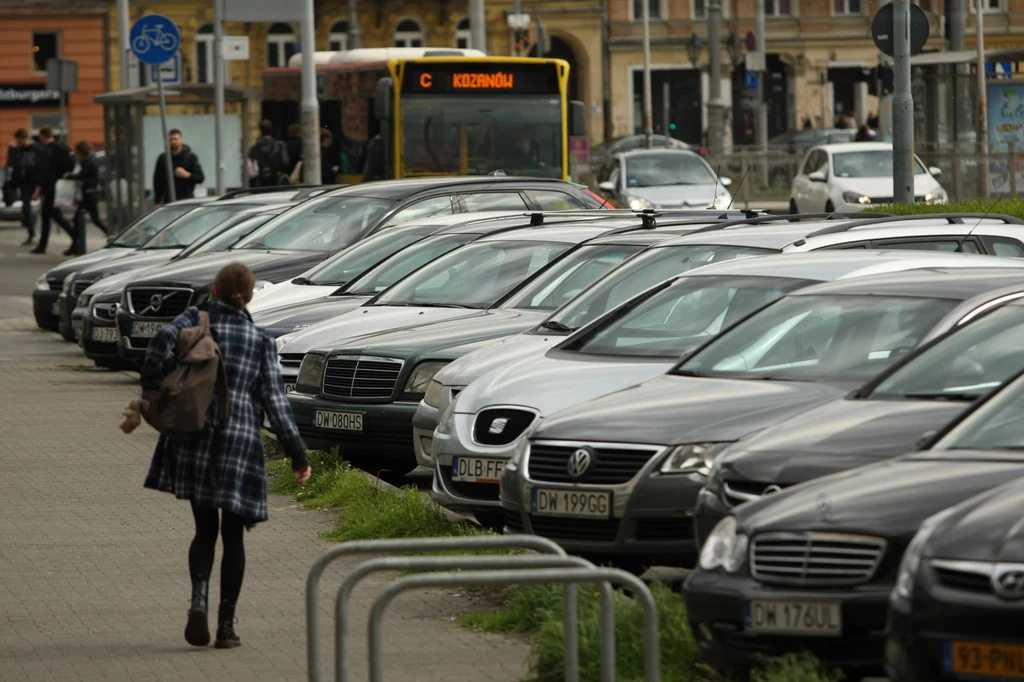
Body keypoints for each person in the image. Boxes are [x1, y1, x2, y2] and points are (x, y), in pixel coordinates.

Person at [138, 263, 311, 650]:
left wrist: (153, 390)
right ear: (249, 296)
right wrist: (298, 455)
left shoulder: (192, 322)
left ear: (214, 290)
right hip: (240, 444)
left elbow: (159, 346)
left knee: (204, 529)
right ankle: (226, 626)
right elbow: (276, 404)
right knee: (234, 539)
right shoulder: (260, 340)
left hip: (194, 436)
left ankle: (198, 597)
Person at [30, 126, 77, 256]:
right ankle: (43, 244)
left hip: (49, 186)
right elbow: (71, 163)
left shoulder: (46, 150)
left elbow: (43, 171)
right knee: (49, 214)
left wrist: (38, 189)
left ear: (42, 136)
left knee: (53, 215)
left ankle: (75, 237)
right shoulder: (62, 147)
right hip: (59, 184)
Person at [153, 129, 205, 207]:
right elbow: (157, 181)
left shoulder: (190, 157)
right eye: (171, 140)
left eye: (175, 139)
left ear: (181, 139)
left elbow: (200, 178)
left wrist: (187, 175)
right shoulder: (163, 158)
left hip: (186, 200)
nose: (173, 142)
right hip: (169, 200)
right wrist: (157, 201)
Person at [67, 141, 108, 237]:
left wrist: (69, 176)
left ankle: (77, 242)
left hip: (89, 194)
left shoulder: (88, 162)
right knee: (92, 219)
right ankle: (76, 242)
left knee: (88, 219)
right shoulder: (88, 161)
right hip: (88, 194)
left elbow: (82, 175)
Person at [5, 129, 38, 245]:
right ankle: (31, 233)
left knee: (29, 208)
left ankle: (33, 233)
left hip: (33, 182)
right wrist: (12, 150)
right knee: (26, 208)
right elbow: (11, 163)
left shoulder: (35, 149)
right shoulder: (18, 150)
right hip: (23, 183)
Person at [248, 119, 289, 188]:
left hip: (259, 183)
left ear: (260, 131)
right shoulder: (279, 145)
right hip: (276, 181)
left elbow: (251, 165)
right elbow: (285, 161)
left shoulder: (254, 148)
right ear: (271, 130)